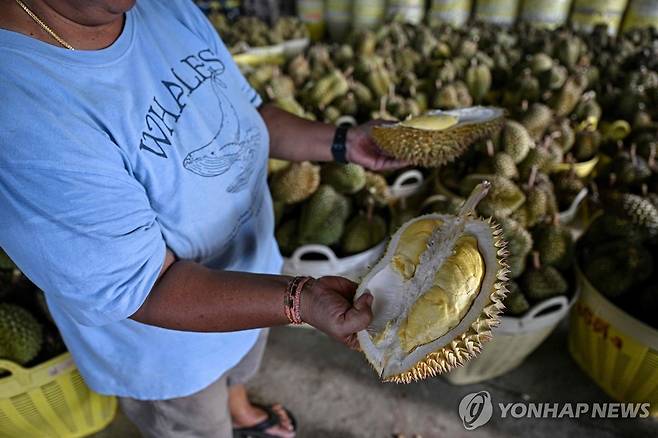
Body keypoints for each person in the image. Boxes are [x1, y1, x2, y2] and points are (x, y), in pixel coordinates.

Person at [0, 1, 405, 437]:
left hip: (257, 278)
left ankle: (239, 405)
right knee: (197, 423)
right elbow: (147, 287)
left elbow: (252, 116)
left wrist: (345, 142)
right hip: (170, 352)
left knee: (240, 366)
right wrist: (300, 301)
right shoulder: (22, 113)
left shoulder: (161, 7)